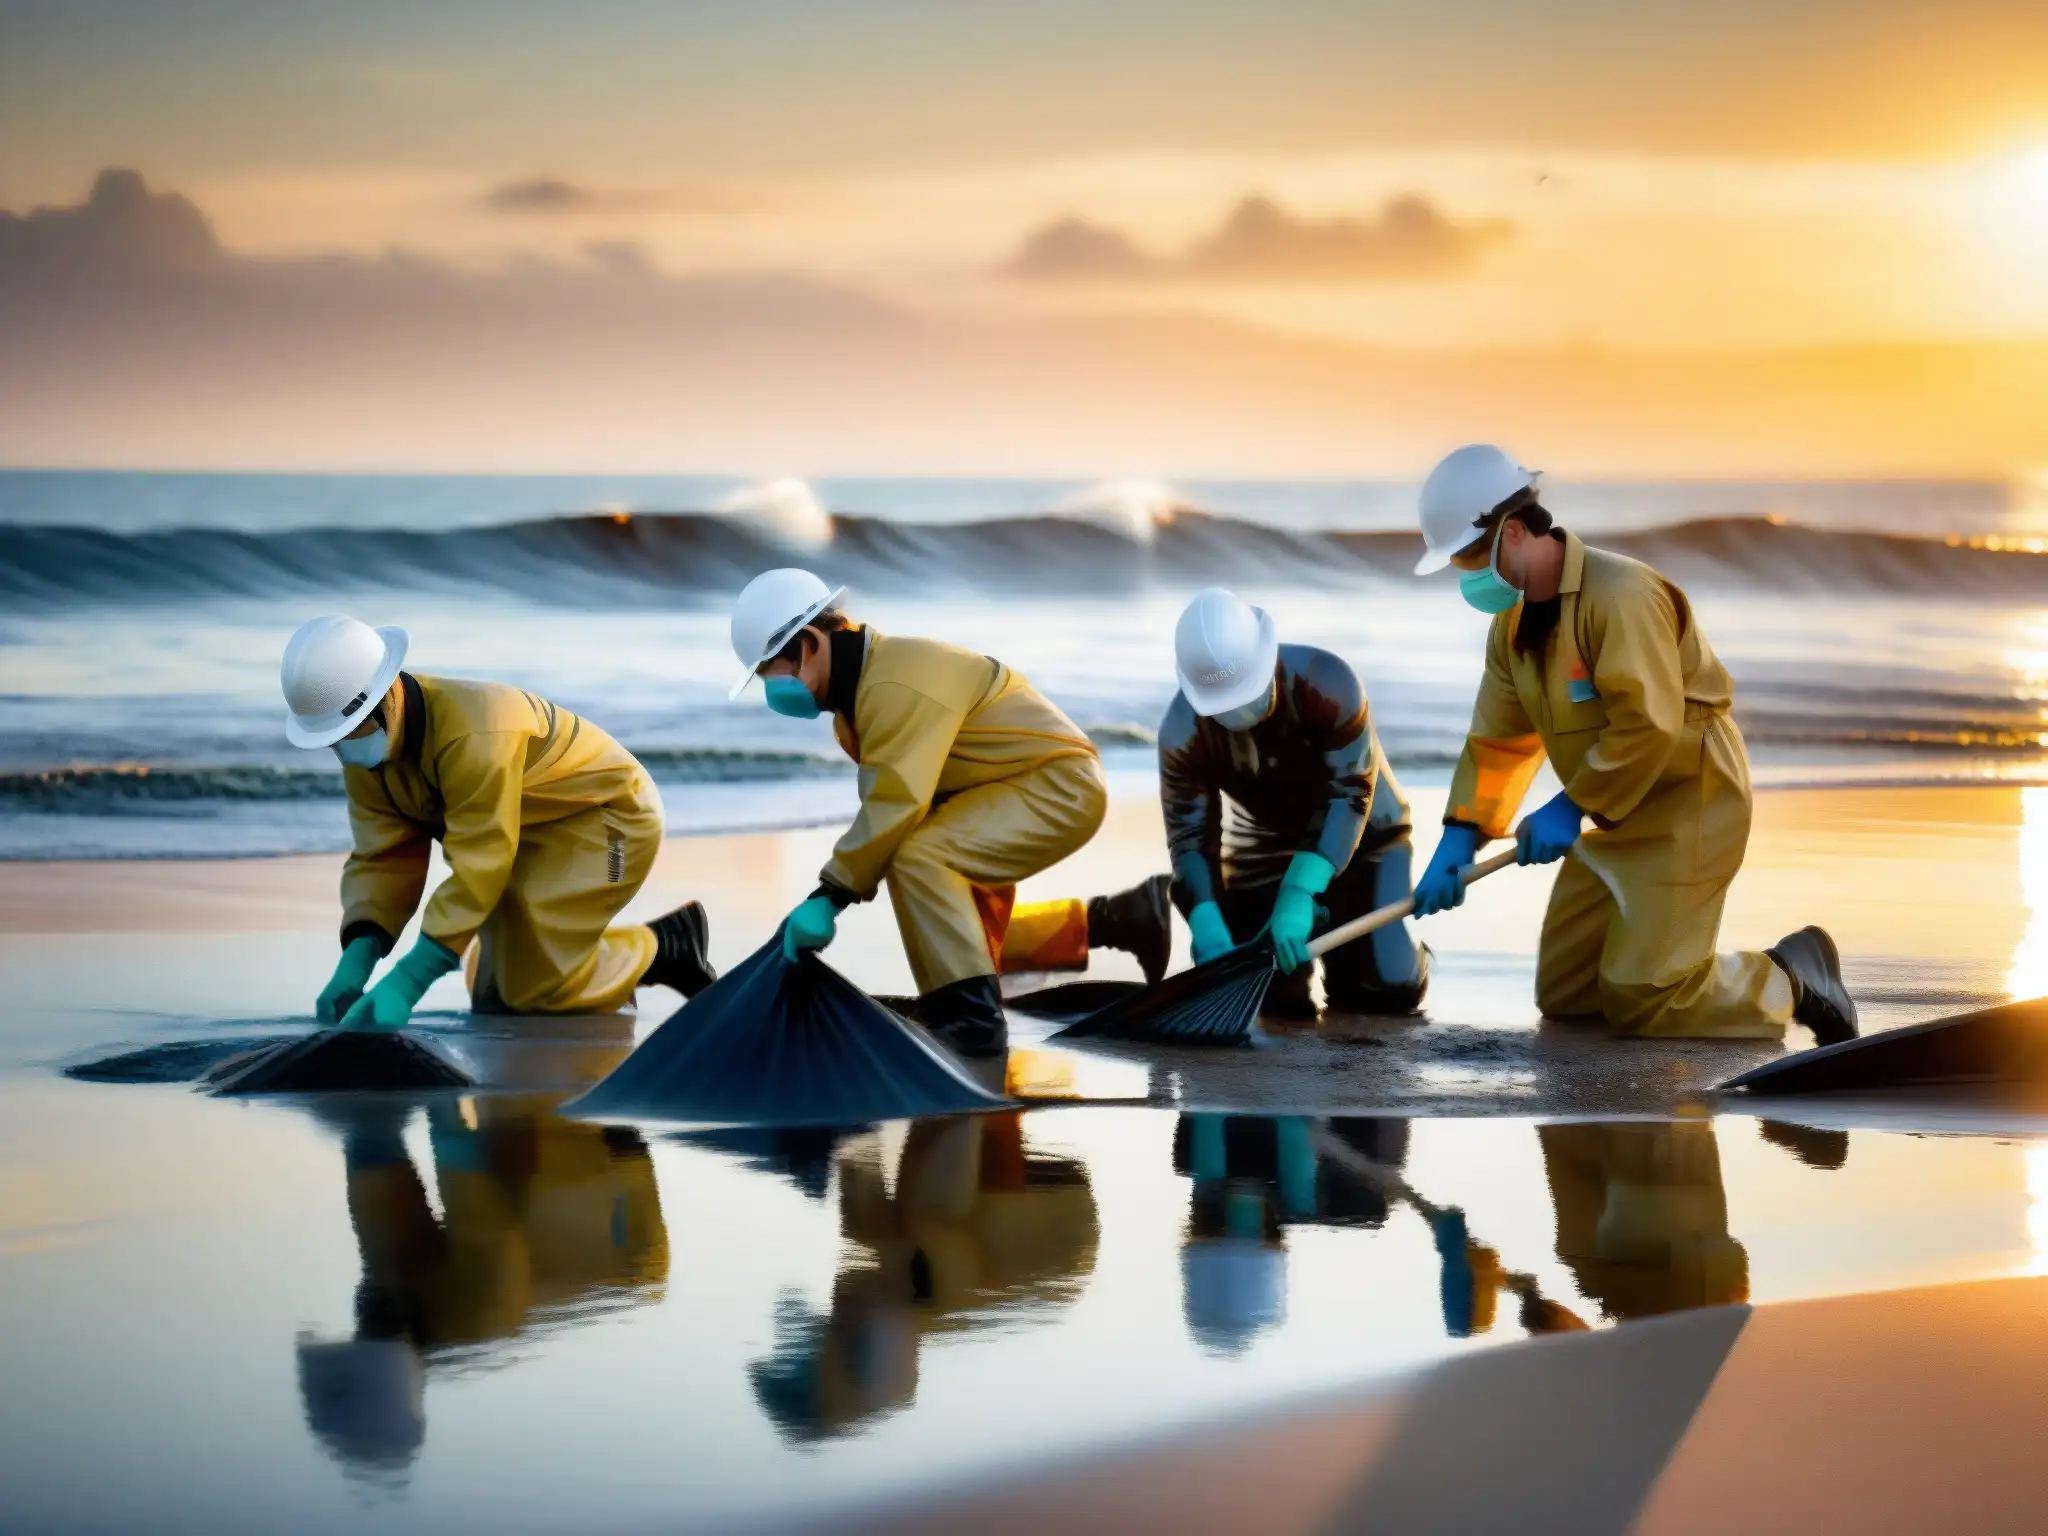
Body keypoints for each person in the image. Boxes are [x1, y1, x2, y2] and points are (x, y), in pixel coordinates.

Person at [1408, 445, 1856, 1043]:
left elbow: (1649, 722)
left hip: (1689, 797)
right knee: (1568, 995)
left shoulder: (1620, 594)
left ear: (1512, 531)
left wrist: (1570, 805)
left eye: (1466, 556)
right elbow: (1500, 741)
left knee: (1645, 998)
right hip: (1613, 812)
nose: (1465, 574)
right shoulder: (1511, 627)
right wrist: (1461, 836)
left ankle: (1790, 976)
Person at [729, 570, 1170, 1058]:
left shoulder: (893, 684)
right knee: (953, 925)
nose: (769, 688)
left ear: (808, 645)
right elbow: (899, 805)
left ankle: (972, 1020)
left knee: (922, 859)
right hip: (1001, 791)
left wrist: (829, 895)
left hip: (1054, 786)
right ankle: (1119, 920)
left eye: (768, 670)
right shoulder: (862, 698)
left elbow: (895, 801)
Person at [282, 616, 716, 1031]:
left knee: (532, 995)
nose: (346, 747)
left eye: (353, 728)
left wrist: (410, 980)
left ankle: (666, 947)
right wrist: (359, 956)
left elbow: (482, 860)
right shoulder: (372, 758)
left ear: (386, 697)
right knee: (492, 996)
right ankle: (591, 974)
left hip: (609, 820)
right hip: (523, 835)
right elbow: (384, 857)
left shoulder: (475, 732)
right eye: (334, 739)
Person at [1159, 588, 1425, 1019]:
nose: (1239, 712)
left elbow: (1349, 793)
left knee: (1383, 993)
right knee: (1269, 999)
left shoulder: (1329, 681)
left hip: (1369, 839)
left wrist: (1300, 889)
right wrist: (1205, 916)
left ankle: (1376, 942)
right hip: (1265, 847)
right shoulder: (1182, 733)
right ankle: (1312, 922)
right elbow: (1189, 835)